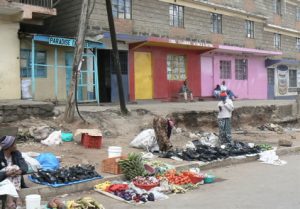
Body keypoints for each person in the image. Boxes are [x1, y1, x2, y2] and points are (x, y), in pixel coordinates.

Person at [0, 136, 28, 209]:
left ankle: (11, 200)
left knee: (16, 167)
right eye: (14, 144)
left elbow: (25, 166)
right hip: (3, 182)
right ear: (9, 146)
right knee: (10, 168)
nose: (16, 145)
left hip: (16, 179)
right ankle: (14, 197)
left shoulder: (16, 153)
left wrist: (19, 171)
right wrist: (6, 174)